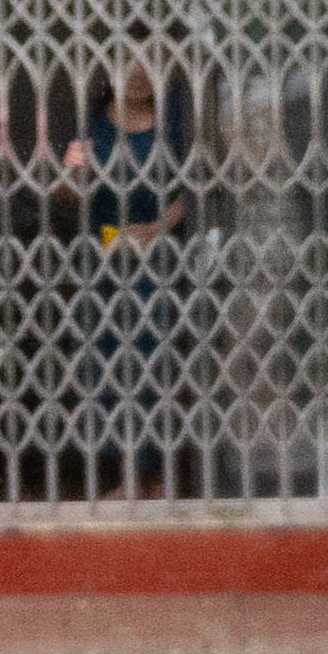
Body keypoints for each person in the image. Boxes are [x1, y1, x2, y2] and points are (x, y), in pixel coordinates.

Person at [60, 63, 188, 498]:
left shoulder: (174, 129)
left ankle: (153, 475)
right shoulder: (91, 127)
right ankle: (130, 474)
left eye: (147, 66)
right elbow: (64, 195)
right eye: (126, 65)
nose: (137, 76)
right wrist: (72, 172)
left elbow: (194, 187)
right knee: (110, 363)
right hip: (103, 259)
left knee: (154, 363)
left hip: (157, 262)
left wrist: (158, 227)